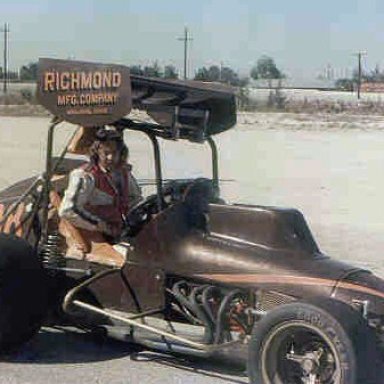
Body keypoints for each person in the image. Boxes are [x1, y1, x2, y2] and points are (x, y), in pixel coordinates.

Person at [58, 127, 142, 267]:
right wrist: (100, 226)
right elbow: (67, 210)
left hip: (120, 232)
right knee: (131, 260)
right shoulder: (85, 176)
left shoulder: (123, 174)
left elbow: (136, 201)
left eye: (114, 153)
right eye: (106, 153)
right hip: (93, 236)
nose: (110, 158)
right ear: (96, 152)